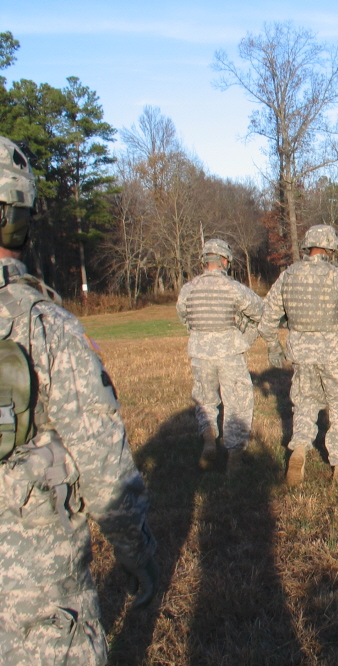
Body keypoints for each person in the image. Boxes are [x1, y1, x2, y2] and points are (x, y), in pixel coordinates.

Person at [0, 136, 157, 664]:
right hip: (34, 602)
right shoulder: (42, 326)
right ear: (16, 219)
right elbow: (104, 464)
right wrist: (136, 553)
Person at [259, 225, 338, 483]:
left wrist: (273, 345)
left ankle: (300, 448)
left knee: (305, 402)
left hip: (301, 352)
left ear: (307, 246)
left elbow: (267, 316)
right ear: (331, 248)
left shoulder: (289, 275)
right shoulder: (336, 275)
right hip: (334, 351)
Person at [176, 238, 264, 473]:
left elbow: (183, 316)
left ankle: (208, 439)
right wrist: (247, 333)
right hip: (229, 352)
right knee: (237, 403)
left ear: (204, 260)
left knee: (205, 399)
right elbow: (260, 310)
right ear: (225, 260)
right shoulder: (233, 287)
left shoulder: (189, 289)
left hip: (199, 352)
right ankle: (234, 458)